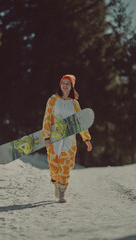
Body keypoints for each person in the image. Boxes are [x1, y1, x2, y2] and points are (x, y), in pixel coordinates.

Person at [42, 74, 92, 203]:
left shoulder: (75, 103)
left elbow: (80, 123)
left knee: (65, 167)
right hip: (54, 139)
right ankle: (55, 183)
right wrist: (46, 137)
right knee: (53, 167)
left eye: (68, 83)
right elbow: (47, 119)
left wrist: (86, 139)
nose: (65, 85)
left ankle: (62, 192)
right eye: (63, 83)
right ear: (60, 85)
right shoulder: (52, 100)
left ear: (71, 87)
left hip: (70, 140)